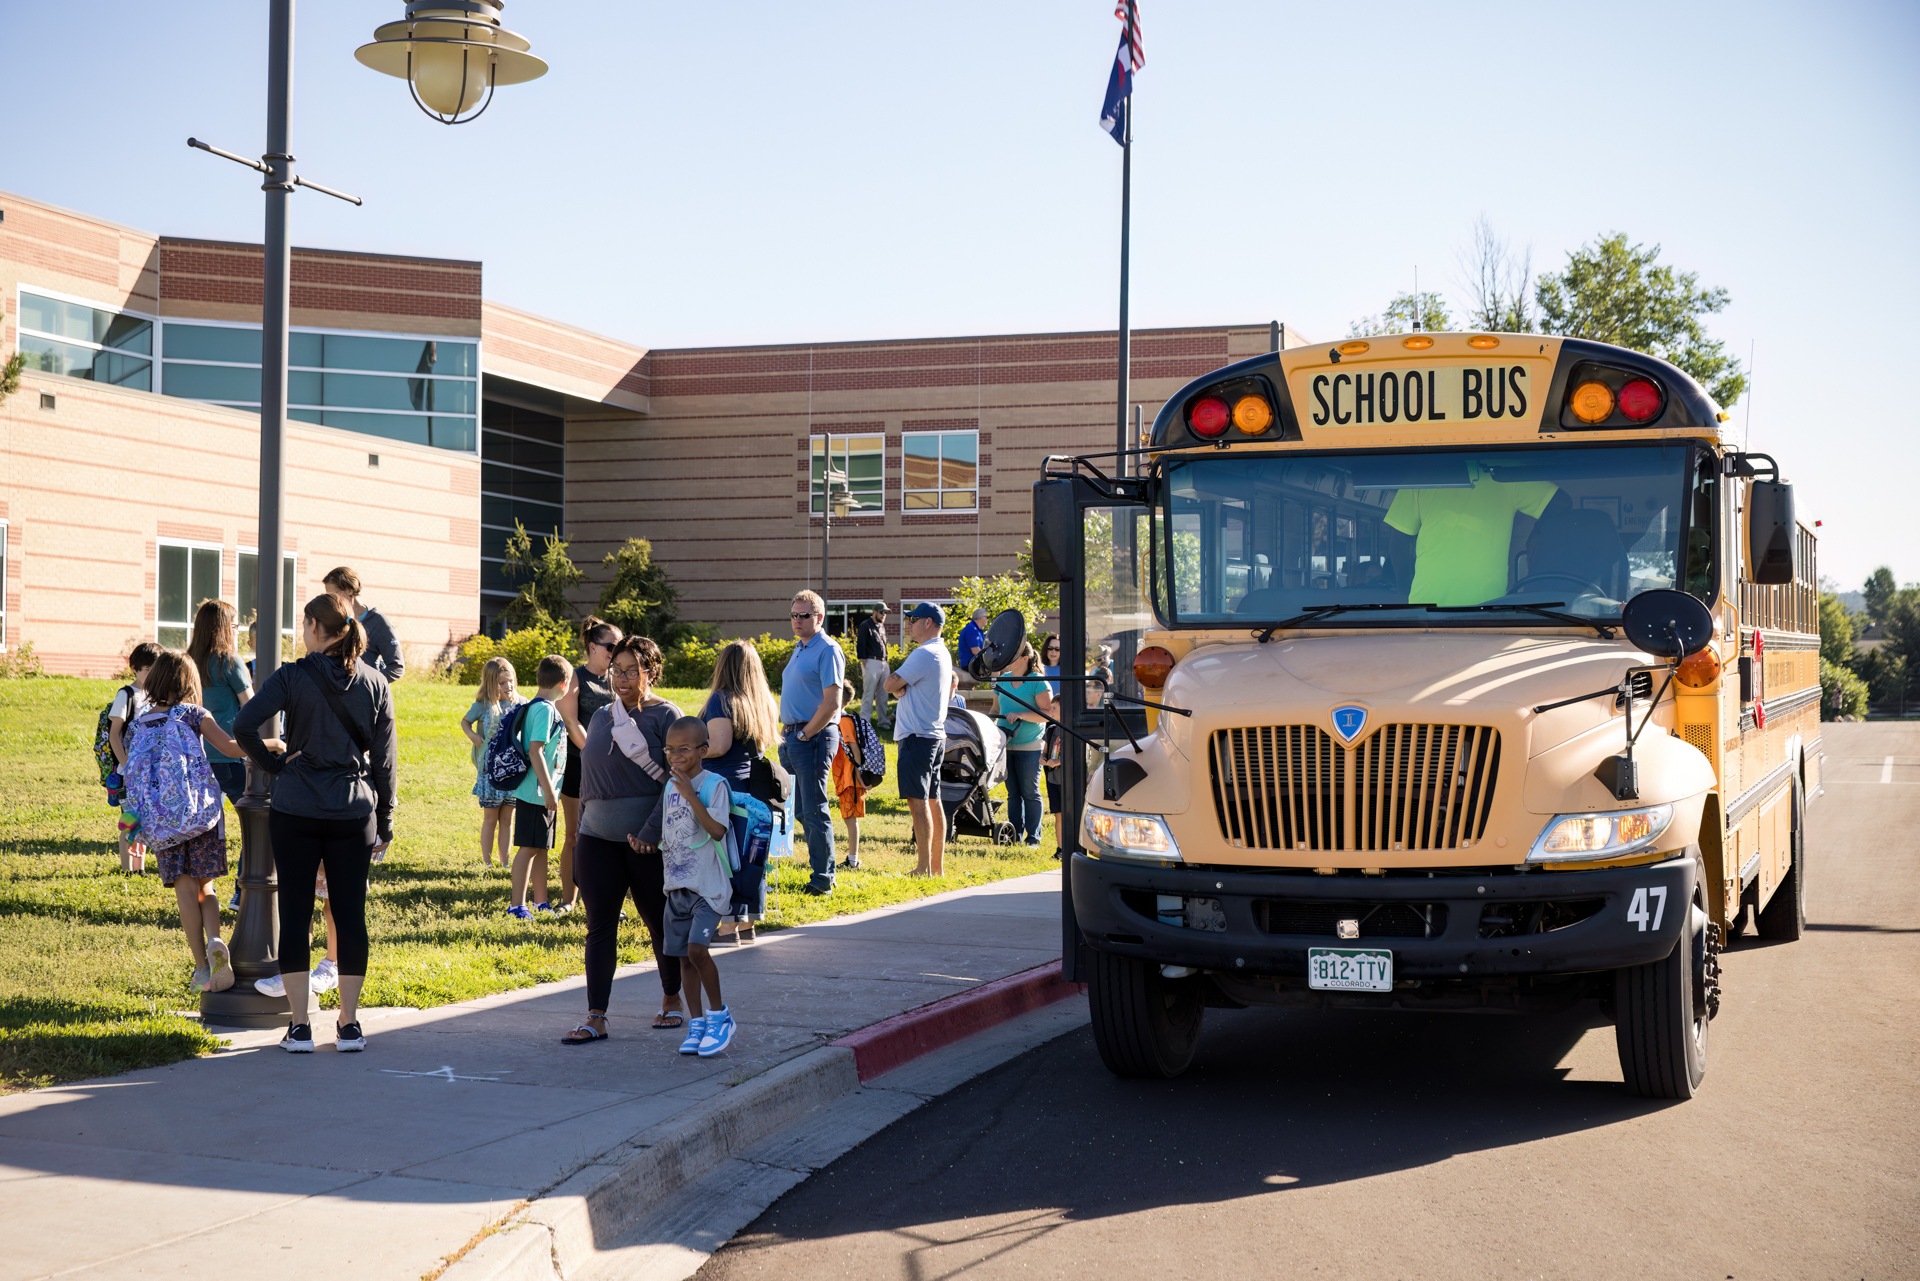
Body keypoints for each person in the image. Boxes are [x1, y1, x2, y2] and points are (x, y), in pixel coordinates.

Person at [234, 593, 397, 1054]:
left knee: (296, 914)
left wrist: (274, 764)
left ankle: (301, 1026)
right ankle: (348, 1024)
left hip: (297, 808)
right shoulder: (375, 682)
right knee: (350, 916)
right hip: (353, 811)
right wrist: (384, 819)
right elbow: (385, 761)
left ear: (312, 626)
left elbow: (245, 725)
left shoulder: (292, 675)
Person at [562, 636, 684, 1044]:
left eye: (633, 670)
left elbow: (680, 782)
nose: (623, 678)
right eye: (617, 670)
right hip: (596, 839)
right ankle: (596, 1015)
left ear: (652, 671)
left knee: (657, 922)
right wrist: (580, 835)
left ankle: (671, 998)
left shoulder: (667, 716)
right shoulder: (600, 717)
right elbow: (589, 783)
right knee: (599, 926)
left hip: (647, 844)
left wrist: (652, 833)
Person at [124, 651, 255, 993]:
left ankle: (201, 967)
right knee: (205, 886)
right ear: (189, 683)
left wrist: (131, 830)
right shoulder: (194, 714)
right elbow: (228, 748)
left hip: (161, 824)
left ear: (153, 682)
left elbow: (131, 777)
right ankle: (215, 939)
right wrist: (269, 743)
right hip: (200, 815)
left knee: (184, 888)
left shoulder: (138, 724)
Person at [641, 716, 737, 1058]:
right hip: (677, 886)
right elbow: (675, 834)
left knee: (698, 951)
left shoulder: (715, 785)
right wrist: (650, 844)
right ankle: (697, 1025)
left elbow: (716, 830)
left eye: (683, 749)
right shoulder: (670, 787)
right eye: (669, 749)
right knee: (683, 958)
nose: (675, 755)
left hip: (708, 887)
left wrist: (690, 794)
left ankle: (719, 1017)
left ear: (703, 750)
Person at [1382, 463, 1559, 606]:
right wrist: (1536, 532)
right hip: (1487, 609)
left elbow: (1399, 541)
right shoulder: (1505, 472)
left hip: (1425, 606)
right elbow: (1561, 502)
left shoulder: (1422, 473)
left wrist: (1403, 587)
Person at [700, 640, 781, 940]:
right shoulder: (762, 700)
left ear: (724, 665)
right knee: (751, 858)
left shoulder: (722, 700)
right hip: (754, 793)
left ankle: (728, 927)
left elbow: (719, 746)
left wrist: (687, 750)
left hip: (725, 790)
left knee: (726, 858)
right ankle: (747, 925)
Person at [778, 590, 845, 896]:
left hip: (813, 736)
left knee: (815, 809)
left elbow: (833, 702)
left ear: (819, 618)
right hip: (792, 736)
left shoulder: (828, 649)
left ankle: (823, 878)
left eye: (804, 615)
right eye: (794, 614)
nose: (797, 620)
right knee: (801, 810)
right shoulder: (800, 647)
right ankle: (820, 869)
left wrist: (806, 733)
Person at [556, 616, 623, 913]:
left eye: (621, 645)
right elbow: (570, 721)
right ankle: (568, 899)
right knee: (575, 834)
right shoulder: (576, 677)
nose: (617, 650)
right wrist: (596, 754)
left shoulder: (618, 677)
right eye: (612, 646)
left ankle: (603, 901)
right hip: (579, 766)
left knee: (609, 837)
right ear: (593, 647)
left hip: (615, 769)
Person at [885, 603, 951, 878]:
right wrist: (903, 688)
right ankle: (936, 869)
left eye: (912, 619)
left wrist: (899, 688)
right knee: (934, 801)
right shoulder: (942, 653)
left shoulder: (924, 653)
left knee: (918, 802)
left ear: (927, 622)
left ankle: (923, 868)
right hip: (933, 736)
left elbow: (889, 684)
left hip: (917, 737)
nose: (908, 623)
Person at [507, 655, 571, 920]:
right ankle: (516, 905)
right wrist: (547, 790)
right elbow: (536, 751)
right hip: (537, 793)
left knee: (541, 847)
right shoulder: (544, 709)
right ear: (564, 684)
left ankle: (540, 901)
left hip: (542, 792)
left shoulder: (538, 706)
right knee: (529, 848)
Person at [187, 599, 253, 808]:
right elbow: (252, 706)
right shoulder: (230, 660)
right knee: (252, 815)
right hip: (228, 753)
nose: (237, 632)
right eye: (235, 627)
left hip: (195, 754)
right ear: (223, 629)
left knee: (206, 818)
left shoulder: (187, 661)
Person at [460, 656, 524, 868]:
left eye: (511, 680)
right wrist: (473, 736)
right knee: (490, 818)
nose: (508, 686)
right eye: (502, 682)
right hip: (490, 773)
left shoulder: (522, 703)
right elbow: (465, 721)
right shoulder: (484, 705)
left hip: (513, 772)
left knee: (508, 819)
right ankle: (487, 862)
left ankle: (505, 862)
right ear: (490, 683)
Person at [108, 641, 163, 873]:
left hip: (152, 770)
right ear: (134, 669)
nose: (150, 675)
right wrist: (125, 766)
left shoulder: (158, 696)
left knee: (148, 821)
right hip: (129, 772)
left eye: (155, 669)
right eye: (146, 669)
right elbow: (114, 736)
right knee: (130, 821)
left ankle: (140, 868)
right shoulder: (127, 694)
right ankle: (126, 869)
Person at [993, 641, 1055, 847]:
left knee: (1030, 792)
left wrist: (1021, 714)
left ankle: (1033, 838)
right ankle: (1015, 835)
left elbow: (1048, 714)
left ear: (1025, 659)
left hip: (1030, 745)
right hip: (1005, 743)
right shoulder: (1002, 680)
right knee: (1013, 793)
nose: (1007, 659)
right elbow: (995, 710)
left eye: (1013, 655)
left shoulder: (1038, 681)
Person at [322, 565, 404, 681]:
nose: (332, 601)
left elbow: (397, 667)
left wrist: (369, 684)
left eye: (335, 594)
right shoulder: (333, 621)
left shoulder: (378, 622)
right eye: (329, 597)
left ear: (350, 590)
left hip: (367, 697)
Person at [831, 680, 868, 870]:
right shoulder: (839, 720)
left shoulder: (844, 721)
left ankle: (853, 860)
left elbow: (853, 747)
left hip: (850, 778)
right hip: (844, 778)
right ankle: (852, 858)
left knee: (850, 819)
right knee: (848, 818)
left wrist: (859, 773)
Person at [854, 604, 891, 727]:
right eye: (881, 612)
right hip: (871, 662)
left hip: (883, 662)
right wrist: (865, 663)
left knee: (883, 694)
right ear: (874, 612)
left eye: (885, 613)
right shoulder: (865, 625)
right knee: (868, 694)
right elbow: (860, 645)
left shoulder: (881, 626)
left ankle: (883, 722)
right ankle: (865, 723)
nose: (883, 615)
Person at [956, 609, 990, 685]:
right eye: (986, 617)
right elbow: (975, 651)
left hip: (975, 660)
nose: (987, 619)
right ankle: (996, 691)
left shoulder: (979, 631)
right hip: (970, 663)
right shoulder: (971, 629)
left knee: (1004, 665)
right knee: (996, 666)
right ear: (981, 618)